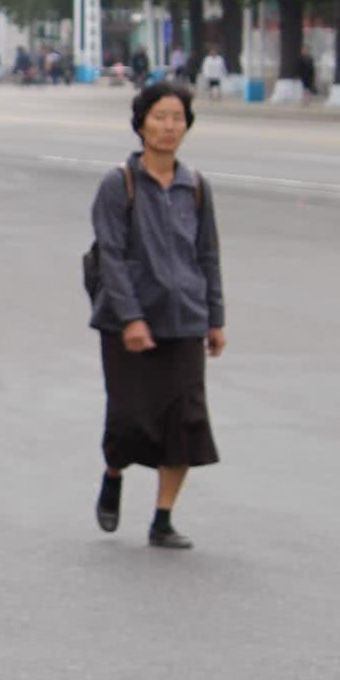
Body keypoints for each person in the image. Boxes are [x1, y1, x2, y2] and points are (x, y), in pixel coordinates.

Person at [88, 81, 224, 550]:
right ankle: (113, 473)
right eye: (160, 117)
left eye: (177, 118)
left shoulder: (196, 187)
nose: (169, 127)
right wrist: (131, 318)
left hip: (184, 321)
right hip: (127, 324)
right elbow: (112, 255)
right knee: (129, 420)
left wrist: (215, 319)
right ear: (142, 123)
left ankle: (162, 518)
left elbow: (208, 257)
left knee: (185, 423)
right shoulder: (119, 184)